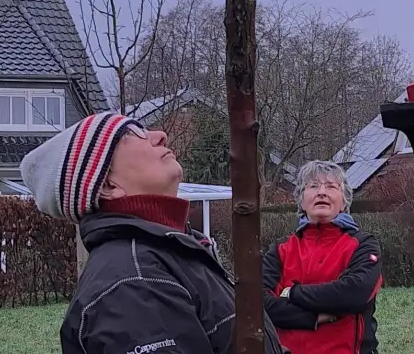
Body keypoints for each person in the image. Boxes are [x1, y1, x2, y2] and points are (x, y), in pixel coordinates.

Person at [23, 112, 285, 354]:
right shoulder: (131, 281)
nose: (160, 135)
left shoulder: (176, 253)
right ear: (106, 185)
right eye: (131, 135)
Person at [263, 161, 383, 354]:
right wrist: (313, 318)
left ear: (344, 201)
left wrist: (292, 293)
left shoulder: (363, 244)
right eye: (313, 186)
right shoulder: (279, 249)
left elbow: (353, 293)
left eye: (331, 186)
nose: (321, 192)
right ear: (301, 200)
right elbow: (260, 304)